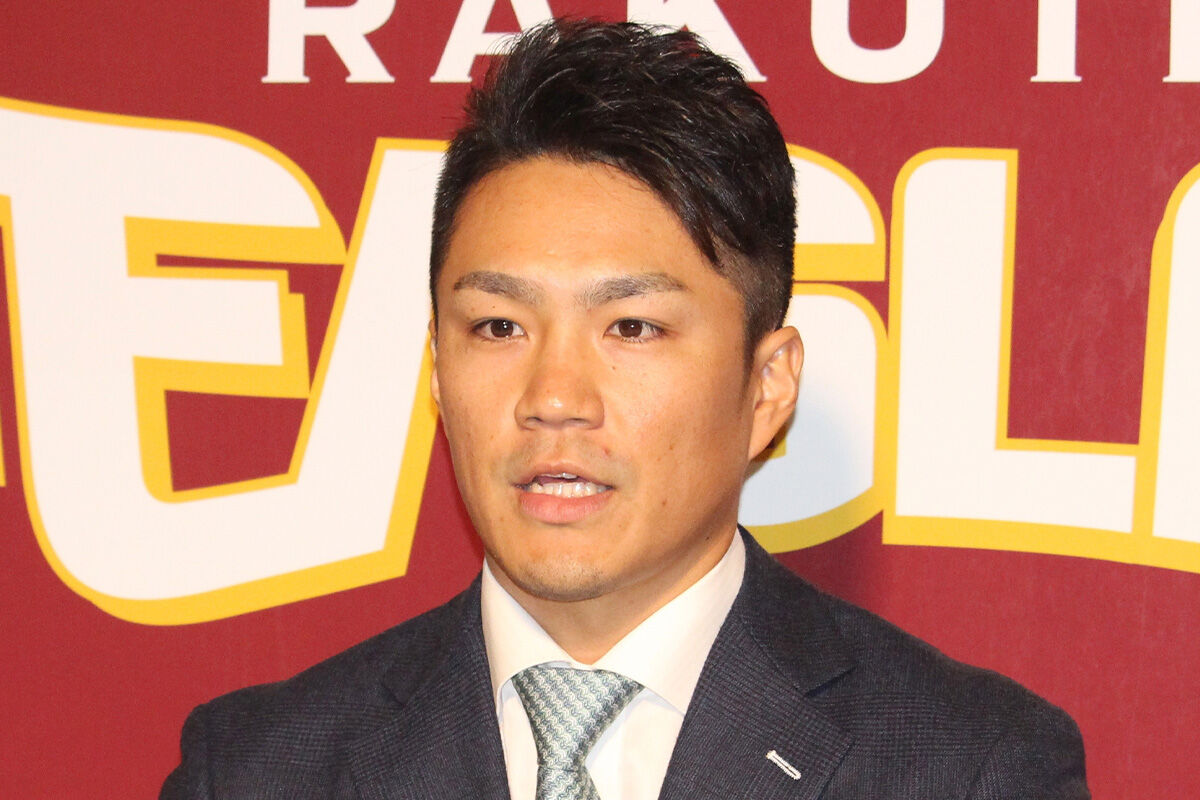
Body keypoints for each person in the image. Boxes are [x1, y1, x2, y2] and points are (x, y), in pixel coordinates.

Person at [162, 19, 1089, 799]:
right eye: (497, 326)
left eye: (633, 327)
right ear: (438, 372)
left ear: (767, 386)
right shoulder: (252, 771)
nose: (554, 399)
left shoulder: (971, 767)